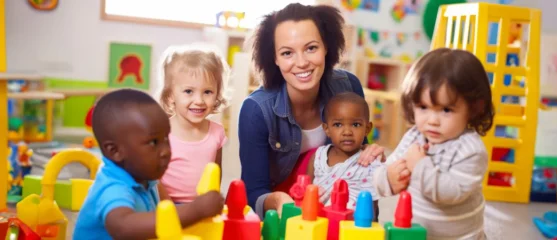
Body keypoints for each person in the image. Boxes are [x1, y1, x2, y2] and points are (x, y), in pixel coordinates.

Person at [239, 3, 385, 219]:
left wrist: (370, 153)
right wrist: (281, 201)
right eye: (287, 52)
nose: (302, 62)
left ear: (326, 46)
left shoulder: (348, 86)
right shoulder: (256, 110)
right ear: (275, 59)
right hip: (285, 211)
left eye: (311, 48)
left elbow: (358, 153)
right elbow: (252, 193)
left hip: (339, 207)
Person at [372, 48, 495, 239]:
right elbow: (390, 167)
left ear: (473, 108)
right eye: (423, 107)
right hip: (415, 231)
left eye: (446, 110)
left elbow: (450, 193)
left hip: (460, 236)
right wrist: (388, 177)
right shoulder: (414, 137)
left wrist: (419, 166)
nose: (432, 121)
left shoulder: (471, 150)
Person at [73, 89, 224, 240]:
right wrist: (196, 210)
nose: (165, 151)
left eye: (166, 139)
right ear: (115, 151)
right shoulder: (113, 187)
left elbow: (166, 214)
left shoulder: (145, 178)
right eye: (153, 142)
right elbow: (124, 227)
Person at [152, 44, 229, 204]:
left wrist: (210, 204)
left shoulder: (217, 133)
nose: (199, 101)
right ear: (170, 95)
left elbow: (216, 172)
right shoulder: (161, 133)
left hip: (202, 209)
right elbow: (153, 178)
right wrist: (172, 210)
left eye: (207, 92)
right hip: (166, 207)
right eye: (188, 91)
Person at [306, 92, 382, 215]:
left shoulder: (369, 161)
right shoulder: (318, 157)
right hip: (317, 225)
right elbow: (306, 195)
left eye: (356, 124)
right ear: (327, 129)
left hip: (352, 228)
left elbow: (371, 210)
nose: (347, 132)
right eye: (338, 124)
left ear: (367, 129)